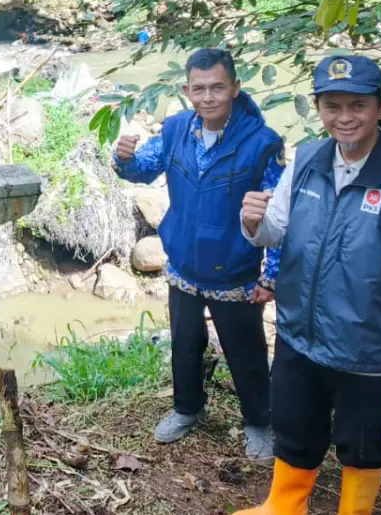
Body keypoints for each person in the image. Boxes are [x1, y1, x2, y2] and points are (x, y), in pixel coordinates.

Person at [236, 55, 381, 515]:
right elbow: (274, 230)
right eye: (332, 106)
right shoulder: (308, 159)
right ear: (318, 107)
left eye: (358, 105)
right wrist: (252, 221)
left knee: (362, 444)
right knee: (294, 429)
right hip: (299, 338)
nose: (345, 118)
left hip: (367, 356)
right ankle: (283, 507)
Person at [113, 48, 283, 462]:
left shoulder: (262, 144)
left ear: (235, 88)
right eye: (200, 89)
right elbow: (143, 169)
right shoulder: (175, 130)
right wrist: (123, 158)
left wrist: (271, 276)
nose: (209, 97)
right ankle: (187, 409)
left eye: (218, 87)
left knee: (246, 351)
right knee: (185, 344)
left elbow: (280, 214)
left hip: (236, 270)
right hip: (184, 266)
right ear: (187, 90)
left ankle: (259, 422)